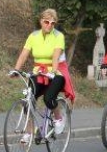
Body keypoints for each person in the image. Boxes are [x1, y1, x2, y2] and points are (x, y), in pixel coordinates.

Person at [11, 9, 76, 138]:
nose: (49, 25)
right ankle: (29, 131)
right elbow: (24, 54)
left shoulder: (59, 36)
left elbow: (56, 56)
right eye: (46, 22)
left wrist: (52, 72)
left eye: (52, 23)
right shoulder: (33, 36)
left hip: (57, 72)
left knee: (48, 98)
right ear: (41, 21)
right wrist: (16, 69)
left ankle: (58, 118)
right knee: (29, 99)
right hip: (39, 72)